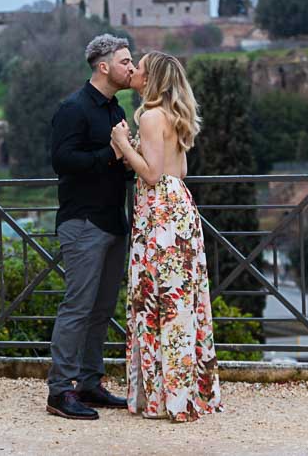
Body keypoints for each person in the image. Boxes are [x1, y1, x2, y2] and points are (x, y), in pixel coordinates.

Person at [111, 51, 223, 422]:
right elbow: (180, 169)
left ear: (151, 78)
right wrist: (136, 152)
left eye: (140, 67)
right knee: (182, 299)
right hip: (180, 209)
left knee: (154, 300)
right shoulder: (174, 116)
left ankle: (162, 398)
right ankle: (188, 394)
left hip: (158, 213)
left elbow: (152, 175)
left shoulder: (150, 116)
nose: (135, 71)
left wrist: (125, 145)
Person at [46, 34, 134, 421]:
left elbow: (117, 163)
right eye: (125, 62)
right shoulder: (73, 108)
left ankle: (89, 383)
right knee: (77, 309)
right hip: (83, 223)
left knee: (101, 310)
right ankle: (59, 392)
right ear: (104, 66)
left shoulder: (116, 110)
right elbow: (62, 161)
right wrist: (112, 154)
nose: (131, 68)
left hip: (114, 220)